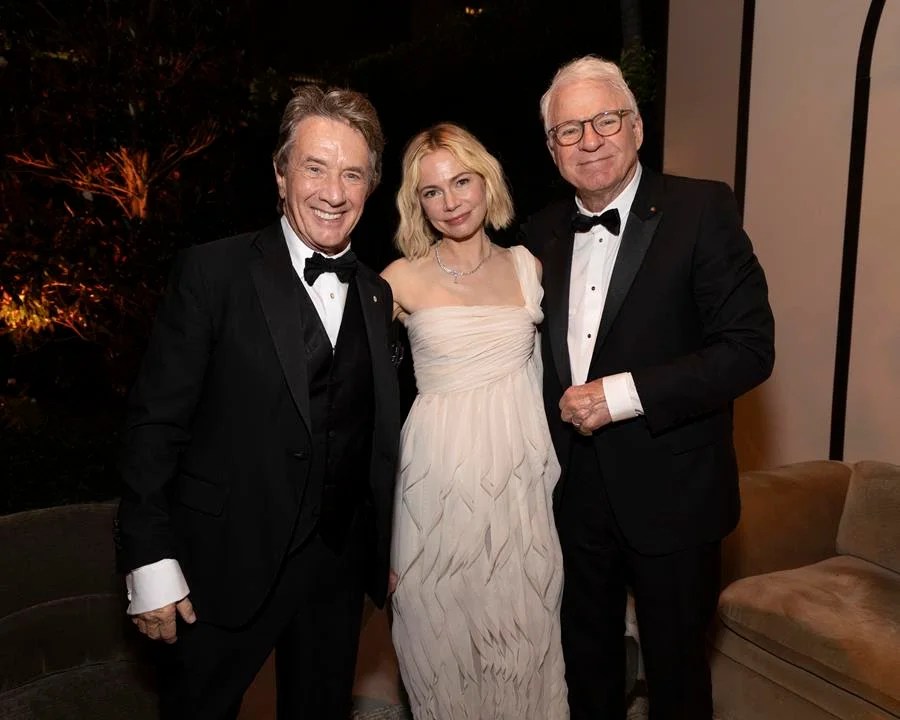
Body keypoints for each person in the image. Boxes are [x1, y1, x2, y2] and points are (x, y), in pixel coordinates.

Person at [114, 85, 401, 719]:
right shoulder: (211, 273)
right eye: (315, 167)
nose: (333, 191)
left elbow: (372, 435)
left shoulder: (378, 296)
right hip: (220, 564)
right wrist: (149, 558)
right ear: (280, 174)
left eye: (352, 174)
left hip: (335, 569)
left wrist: (384, 550)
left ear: (370, 187)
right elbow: (154, 425)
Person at [521, 56, 775, 720]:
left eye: (605, 119)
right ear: (553, 150)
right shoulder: (539, 233)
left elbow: (748, 350)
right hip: (571, 496)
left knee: (678, 679)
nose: (591, 139)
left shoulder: (701, 207)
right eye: (570, 130)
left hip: (675, 494)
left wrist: (622, 394)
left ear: (636, 127)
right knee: (587, 669)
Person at [382, 123, 568, 720]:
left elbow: (556, 369)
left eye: (462, 181)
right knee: (438, 638)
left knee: (522, 637)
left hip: (516, 490)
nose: (451, 201)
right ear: (418, 204)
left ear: (487, 182)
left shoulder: (527, 268)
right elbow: (355, 396)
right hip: (433, 485)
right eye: (432, 191)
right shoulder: (397, 279)